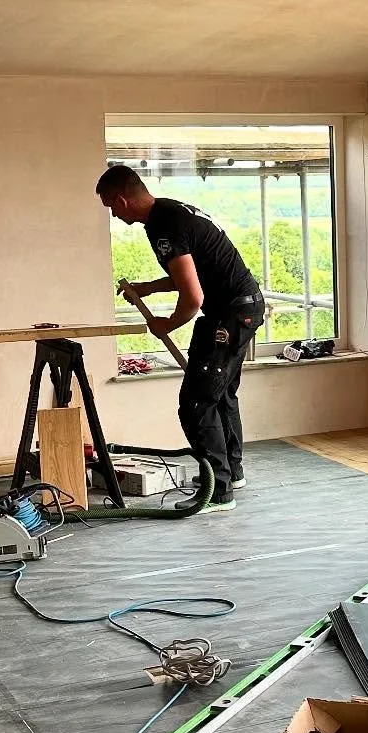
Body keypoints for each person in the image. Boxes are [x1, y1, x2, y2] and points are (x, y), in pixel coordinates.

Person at [96, 165, 265, 507]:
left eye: (111, 207)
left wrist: (166, 324)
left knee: (197, 404)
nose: (114, 215)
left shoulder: (165, 225)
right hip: (242, 308)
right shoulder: (171, 212)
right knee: (219, 396)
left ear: (122, 198)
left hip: (229, 315)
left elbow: (193, 299)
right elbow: (189, 276)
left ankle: (218, 492)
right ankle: (232, 472)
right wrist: (147, 288)